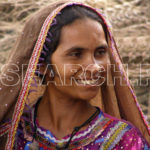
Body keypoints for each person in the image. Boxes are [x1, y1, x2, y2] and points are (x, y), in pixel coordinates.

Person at [0, 0, 150, 149]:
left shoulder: (125, 142)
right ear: (42, 65)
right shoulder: (10, 136)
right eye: (76, 54)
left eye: (100, 52)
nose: (95, 68)